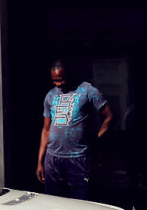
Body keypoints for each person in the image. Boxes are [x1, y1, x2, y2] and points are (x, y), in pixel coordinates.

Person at [36, 59, 113, 200]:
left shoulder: (88, 91)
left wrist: (97, 139)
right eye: (54, 81)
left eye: (61, 80)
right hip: (53, 160)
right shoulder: (50, 96)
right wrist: (40, 161)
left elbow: (109, 116)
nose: (58, 84)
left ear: (70, 74)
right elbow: (46, 130)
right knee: (54, 204)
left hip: (78, 158)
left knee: (81, 204)